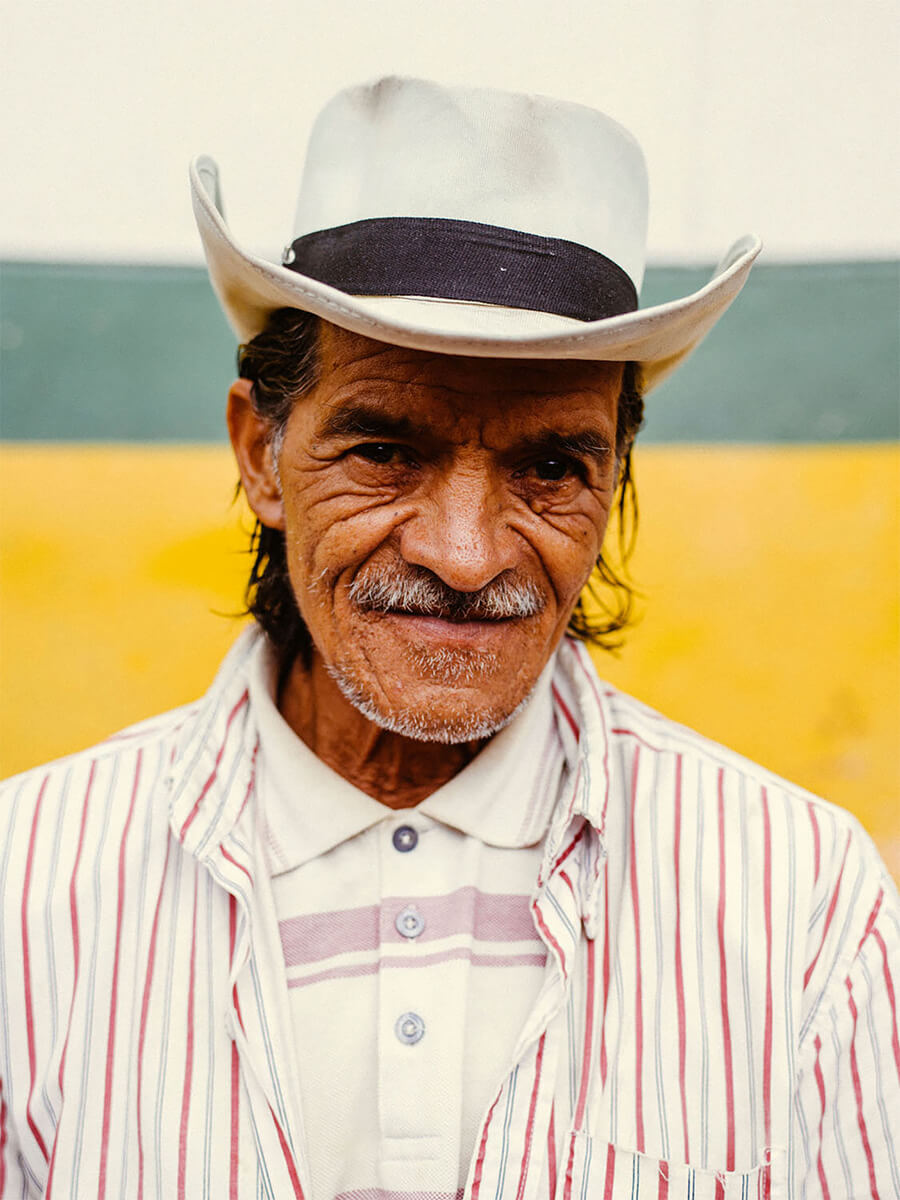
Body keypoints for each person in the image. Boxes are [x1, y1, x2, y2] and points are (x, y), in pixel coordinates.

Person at [0, 76, 896, 1200]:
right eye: (384, 450)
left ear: (613, 483)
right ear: (259, 453)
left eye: (550, 468)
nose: (465, 555)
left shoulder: (799, 900)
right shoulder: (29, 885)